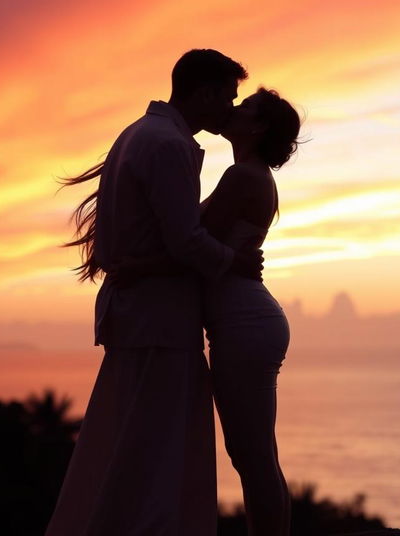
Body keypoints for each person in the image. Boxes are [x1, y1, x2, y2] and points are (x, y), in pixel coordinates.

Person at [45, 49, 262, 536]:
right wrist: (235, 260)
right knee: (158, 454)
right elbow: (185, 240)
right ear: (203, 93)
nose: (230, 108)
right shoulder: (169, 144)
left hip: (140, 319)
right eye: (227, 97)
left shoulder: (138, 134)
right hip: (160, 324)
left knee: (129, 447)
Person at [116, 87, 302, 536]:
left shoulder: (243, 178)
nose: (233, 108)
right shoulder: (245, 175)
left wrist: (133, 268)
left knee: (253, 456)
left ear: (257, 128)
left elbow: (190, 250)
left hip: (243, 323)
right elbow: (199, 243)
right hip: (243, 321)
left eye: (245, 107)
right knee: (254, 454)